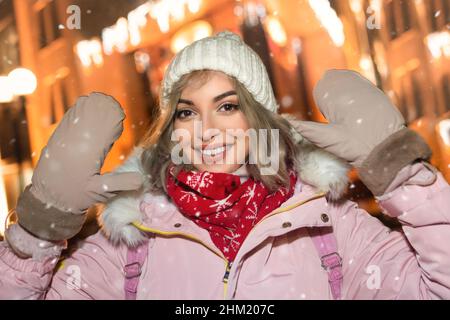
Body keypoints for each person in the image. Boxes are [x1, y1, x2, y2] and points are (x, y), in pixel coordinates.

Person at [1, 31, 449, 300]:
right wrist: (40, 229)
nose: (206, 129)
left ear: (259, 118)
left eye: (228, 106)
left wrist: (404, 176)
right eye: (187, 111)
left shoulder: (330, 228)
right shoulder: (130, 243)